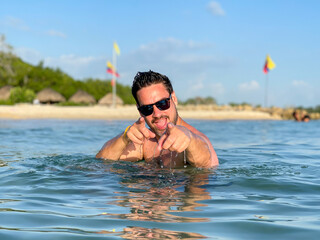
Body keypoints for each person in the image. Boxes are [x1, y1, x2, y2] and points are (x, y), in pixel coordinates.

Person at [96, 70, 219, 168]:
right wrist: (124, 137)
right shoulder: (146, 140)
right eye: (147, 108)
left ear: (174, 99)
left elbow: (205, 163)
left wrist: (190, 140)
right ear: (139, 110)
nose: (157, 113)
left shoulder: (194, 138)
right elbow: (102, 163)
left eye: (162, 104)